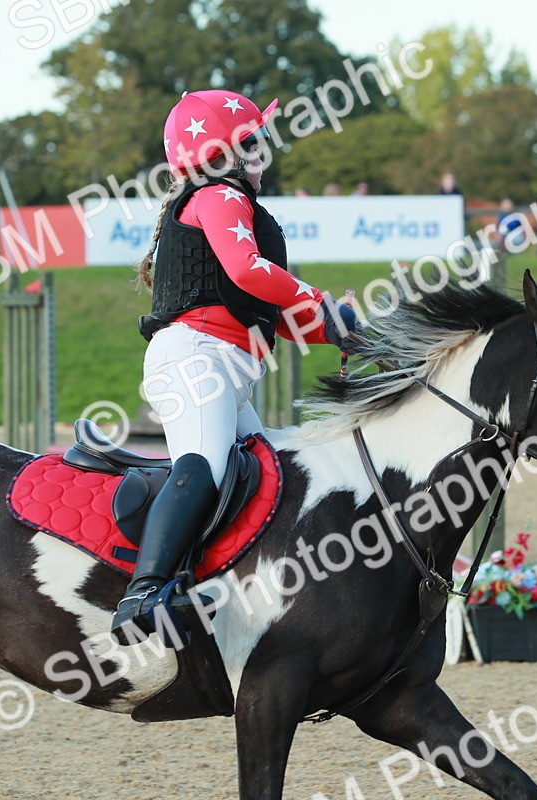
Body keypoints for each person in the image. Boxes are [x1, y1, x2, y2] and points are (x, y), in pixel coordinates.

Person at [112, 89, 356, 643]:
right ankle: (144, 592)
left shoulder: (225, 202)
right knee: (207, 466)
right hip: (196, 360)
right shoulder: (220, 196)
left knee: (266, 467)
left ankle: (223, 583)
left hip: (221, 361)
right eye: (252, 142)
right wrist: (322, 300)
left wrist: (341, 330)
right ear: (223, 152)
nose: (262, 154)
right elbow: (248, 272)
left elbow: (267, 313)